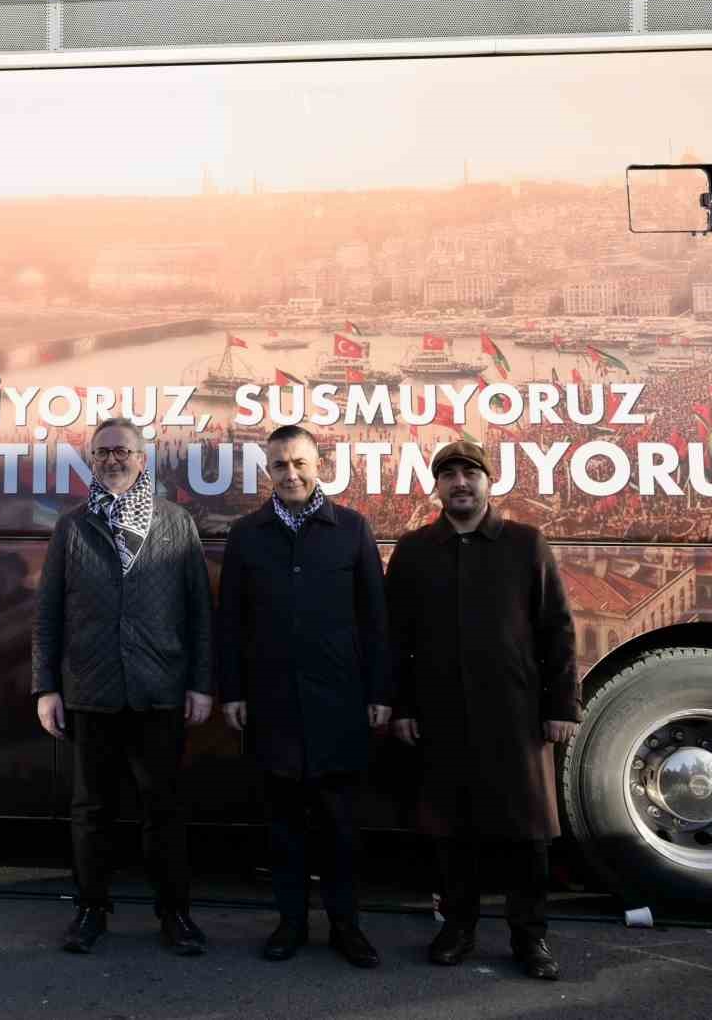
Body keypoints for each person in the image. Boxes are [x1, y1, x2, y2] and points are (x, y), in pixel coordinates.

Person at [385, 439, 579, 981]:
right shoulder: (416, 549)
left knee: (525, 834)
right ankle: (457, 928)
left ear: (489, 483)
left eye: (470, 473)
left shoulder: (525, 543)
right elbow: (394, 637)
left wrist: (561, 703)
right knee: (451, 831)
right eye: (448, 475)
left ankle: (530, 937)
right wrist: (402, 705)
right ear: (438, 487)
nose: (460, 483)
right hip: (441, 714)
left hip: (514, 715)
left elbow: (556, 629)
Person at [31, 417, 214, 956]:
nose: (112, 460)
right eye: (102, 451)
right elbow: (48, 615)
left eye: (123, 451)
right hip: (91, 689)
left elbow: (199, 613)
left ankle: (175, 915)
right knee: (90, 811)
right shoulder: (73, 526)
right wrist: (46, 687)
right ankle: (91, 910)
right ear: (91, 459)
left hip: (160, 690)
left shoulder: (177, 522)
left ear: (142, 459)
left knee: (164, 809)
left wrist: (201, 684)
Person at [215, 424, 392, 968]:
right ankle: (290, 923)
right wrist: (233, 692)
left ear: (319, 466)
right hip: (271, 703)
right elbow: (231, 623)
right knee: (284, 828)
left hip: (339, 703)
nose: (290, 474)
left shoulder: (352, 529)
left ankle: (347, 927)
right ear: (267, 472)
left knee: (340, 827)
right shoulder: (248, 535)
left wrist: (380, 691)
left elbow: (375, 618)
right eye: (279, 466)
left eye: (299, 464)